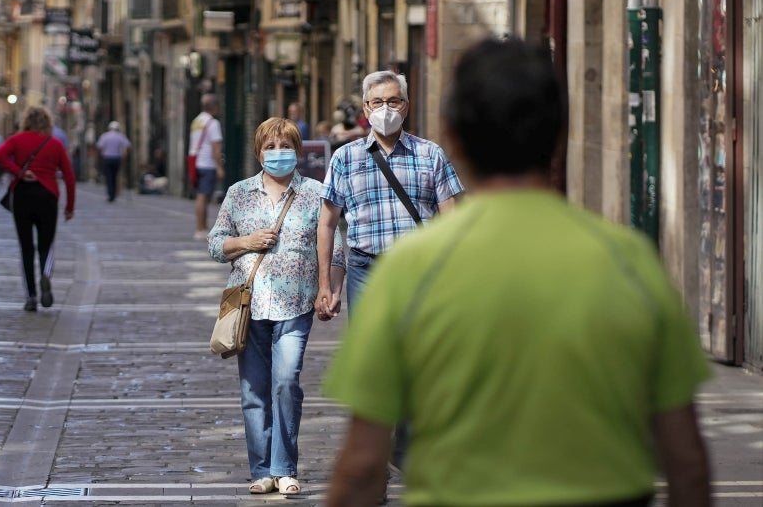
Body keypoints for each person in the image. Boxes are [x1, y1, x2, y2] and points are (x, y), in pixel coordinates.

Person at [324, 37, 712, 507]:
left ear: (453, 136)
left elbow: (363, 463)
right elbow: (686, 460)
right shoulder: (630, 261)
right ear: (560, 133)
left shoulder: (408, 272)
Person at [208, 117, 346, 497]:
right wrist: (246, 241)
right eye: (270, 147)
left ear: (297, 151)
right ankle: (262, 470)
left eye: (285, 146)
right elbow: (215, 244)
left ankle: (285, 468)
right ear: (258, 152)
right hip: (249, 305)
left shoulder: (317, 193)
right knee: (253, 391)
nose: (278, 153)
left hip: (296, 302)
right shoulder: (239, 193)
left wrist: (331, 289)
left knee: (286, 383)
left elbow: (336, 248)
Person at [317, 70, 463, 318]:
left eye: (393, 101)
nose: (386, 108)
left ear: (405, 107)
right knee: (370, 351)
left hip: (420, 267)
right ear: (366, 109)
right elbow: (327, 224)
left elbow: (452, 220)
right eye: (377, 102)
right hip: (366, 270)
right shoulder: (345, 158)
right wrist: (325, 285)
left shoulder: (431, 154)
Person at [0, 107, 76, 312]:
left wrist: (19, 172)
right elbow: (69, 177)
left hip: (22, 196)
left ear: (26, 121)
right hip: (48, 197)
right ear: (48, 123)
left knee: (26, 247)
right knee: (46, 245)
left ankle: (30, 296)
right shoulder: (55, 144)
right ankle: (46, 275)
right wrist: (69, 207)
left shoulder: (17, 140)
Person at [189, 93, 225, 239]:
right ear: (215, 107)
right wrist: (220, 167)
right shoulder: (213, 123)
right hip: (207, 163)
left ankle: (201, 226)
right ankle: (201, 228)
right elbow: (216, 147)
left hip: (196, 162)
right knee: (203, 196)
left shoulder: (196, 121)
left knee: (201, 195)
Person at [94, 120, 131, 202]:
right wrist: (125, 155)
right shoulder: (120, 136)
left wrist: (100, 158)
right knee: (114, 176)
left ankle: (110, 194)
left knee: (108, 177)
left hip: (107, 159)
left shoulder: (105, 136)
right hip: (116, 159)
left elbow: (99, 147)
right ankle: (113, 194)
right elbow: (128, 146)